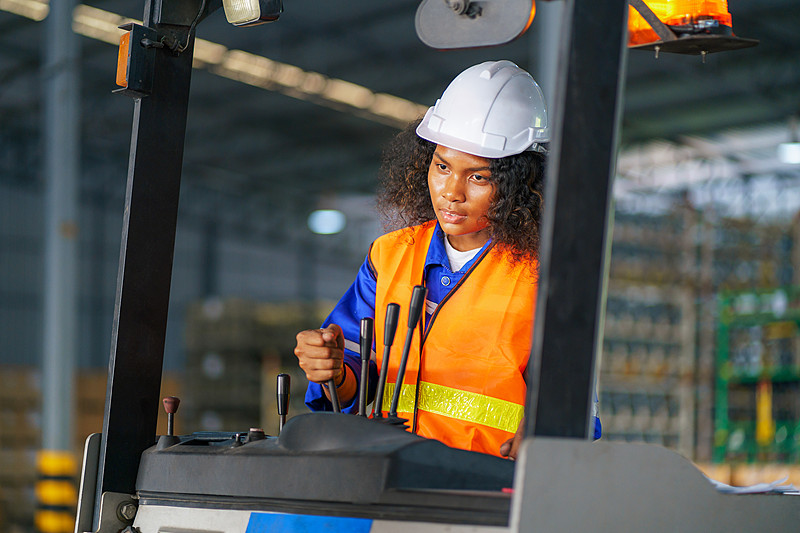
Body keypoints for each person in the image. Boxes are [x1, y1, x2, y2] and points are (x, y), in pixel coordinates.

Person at [294, 60, 601, 459]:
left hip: (488, 490)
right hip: (388, 473)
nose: (451, 192)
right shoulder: (389, 256)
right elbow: (353, 374)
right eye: (442, 167)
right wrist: (332, 370)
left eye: (479, 177)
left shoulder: (545, 274)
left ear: (521, 185)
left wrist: (545, 433)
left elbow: (574, 403)